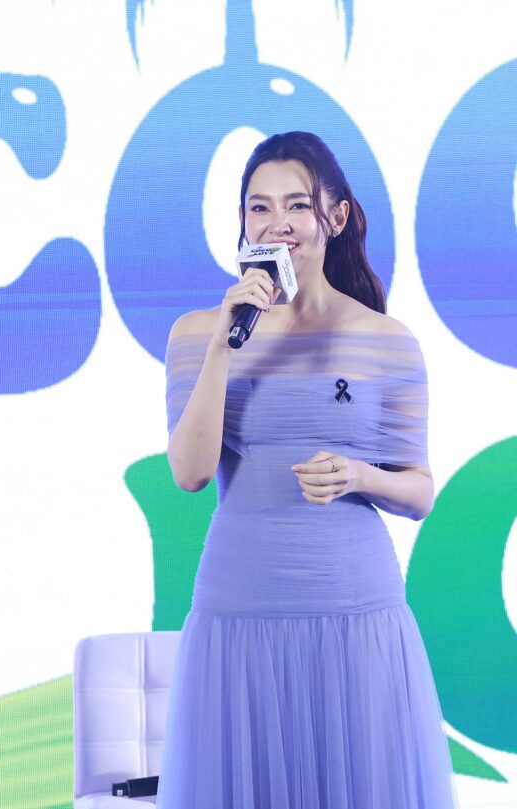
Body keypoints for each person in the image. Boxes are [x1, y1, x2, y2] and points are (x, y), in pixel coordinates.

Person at [157, 131, 457, 807]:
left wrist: (359, 475)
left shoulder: (387, 340)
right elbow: (190, 472)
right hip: (238, 608)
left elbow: (420, 491)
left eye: (297, 204)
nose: (278, 223)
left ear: (336, 216)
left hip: (355, 611)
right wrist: (222, 345)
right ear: (243, 222)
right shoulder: (198, 332)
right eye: (259, 207)